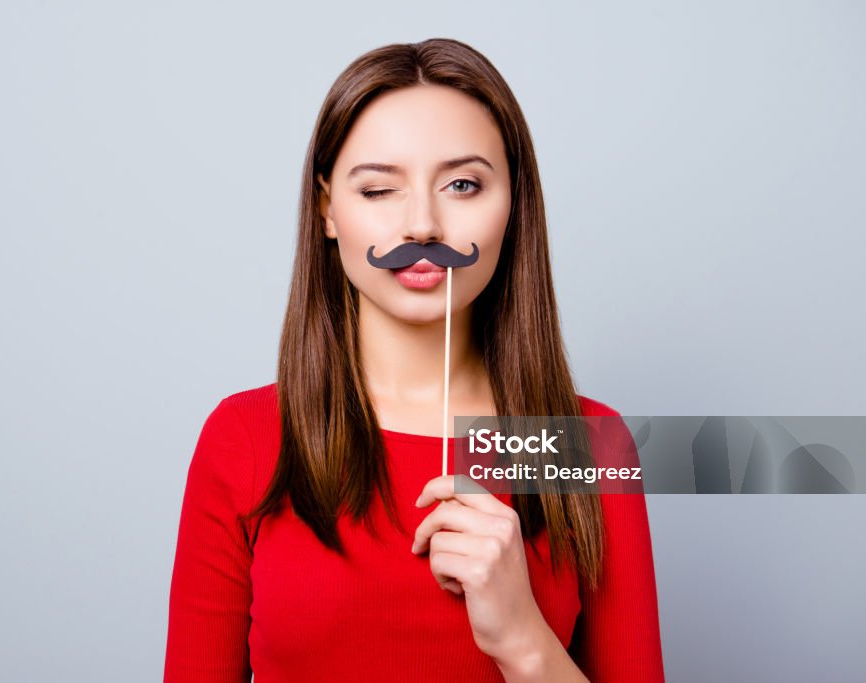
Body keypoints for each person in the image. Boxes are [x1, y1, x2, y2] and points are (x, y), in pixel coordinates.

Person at [164, 38, 664, 682]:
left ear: (513, 205)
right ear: (327, 209)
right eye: (378, 189)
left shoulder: (584, 448)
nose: (422, 226)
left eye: (462, 184)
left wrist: (523, 637)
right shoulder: (247, 439)